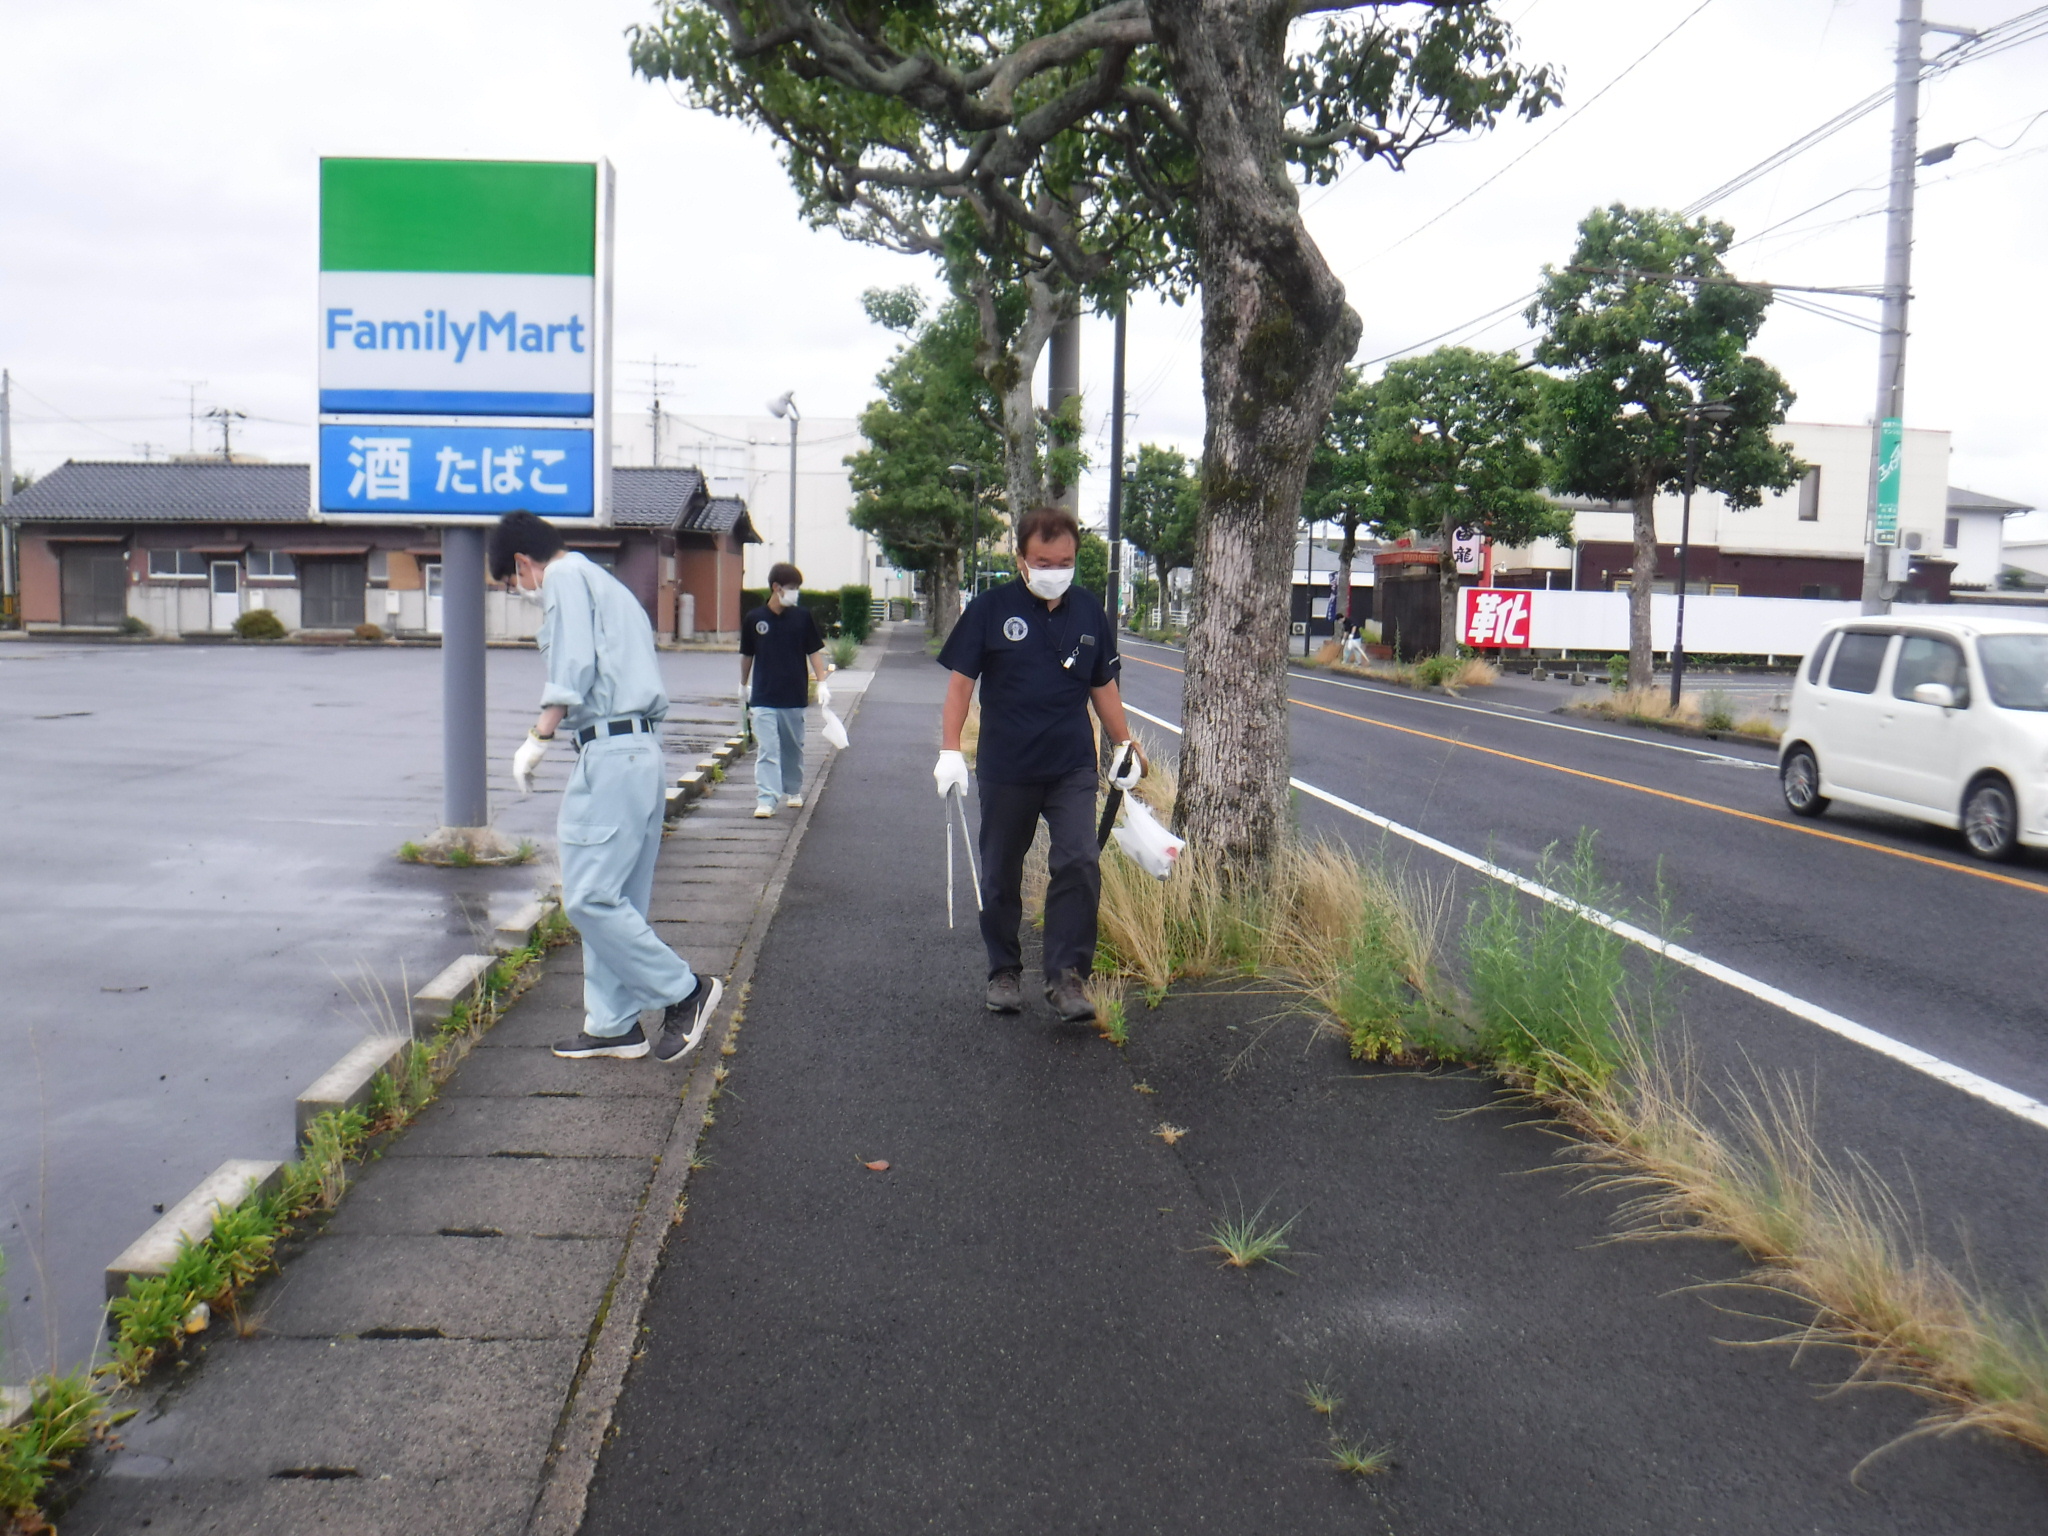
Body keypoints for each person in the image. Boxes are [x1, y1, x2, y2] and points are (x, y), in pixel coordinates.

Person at [490, 511, 723, 1063]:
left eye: (511, 582)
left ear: (524, 562)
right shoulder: (607, 585)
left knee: (589, 897)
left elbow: (573, 666)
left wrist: (538, 735)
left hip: (610, 751)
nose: (519, 592)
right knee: (617, 899)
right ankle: (613, 1024)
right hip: (638, 749)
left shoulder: (565, 578)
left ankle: (686, 992)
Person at [934, 506, 1146, 1022]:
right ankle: (1004, 971)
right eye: (1044, 561)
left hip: (1071, 764)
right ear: (1021, 560)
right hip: (1007, 766)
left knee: (1078, 860)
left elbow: (1102, 685)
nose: (1056, 570)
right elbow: (961, 685)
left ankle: (1066, 977)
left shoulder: (1089, 611)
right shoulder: (990, 609)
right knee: (1002, 870)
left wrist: (1123, 743)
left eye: (1066, 561)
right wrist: (949, 749)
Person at [739, 563, 830, 819]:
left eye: (797, 588)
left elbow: (814, 651)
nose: (795, 593)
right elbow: (747, 654)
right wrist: (743, 685)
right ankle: (766, 799)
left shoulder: (802, 617)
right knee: (767, 749)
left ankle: (793, 789)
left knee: (792, 748)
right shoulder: (754, 619)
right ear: (776, 588)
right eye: (791, 588)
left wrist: (821, 682)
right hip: (764, 696)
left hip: (793, 696)